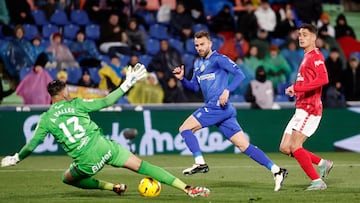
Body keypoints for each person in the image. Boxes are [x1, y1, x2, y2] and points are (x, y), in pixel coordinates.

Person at [1, 63, 210, 198]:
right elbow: (107, 100)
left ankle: (112, 187)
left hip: (87, 162)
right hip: (105, 147)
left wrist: (17, 158)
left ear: (50, 96)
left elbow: (32, 144)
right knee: (144, 166)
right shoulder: (76, 104)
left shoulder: (46, 119)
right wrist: (127, 84)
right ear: (64, 92)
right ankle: (187, 188)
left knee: (67, 178)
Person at [172, 30, 287, 192]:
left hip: (217, 106)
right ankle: (277, 170)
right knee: (243, 145)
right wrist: (182, 79)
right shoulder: (197, 65)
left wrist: (227, 90)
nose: (199, 47)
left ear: (210, 43)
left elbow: (239, 75)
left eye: (202, 44)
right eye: (196, 45)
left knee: (184, 129)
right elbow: (194, 87)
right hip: (222, 110)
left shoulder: (219, 59)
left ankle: (200, 162)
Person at [279, 23, 333, 191]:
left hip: (310, 108)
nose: (301, 37)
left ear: (314, 37)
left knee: (295, 147)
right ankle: (322, 163)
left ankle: (317, 182)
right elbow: (306, 81)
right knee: (285, 147)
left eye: (305, 35)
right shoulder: (307, 56)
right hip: (301, 107)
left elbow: (323, 79)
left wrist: (298, 88)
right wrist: (294, 87)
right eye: (300, 34)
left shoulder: (315, 56)